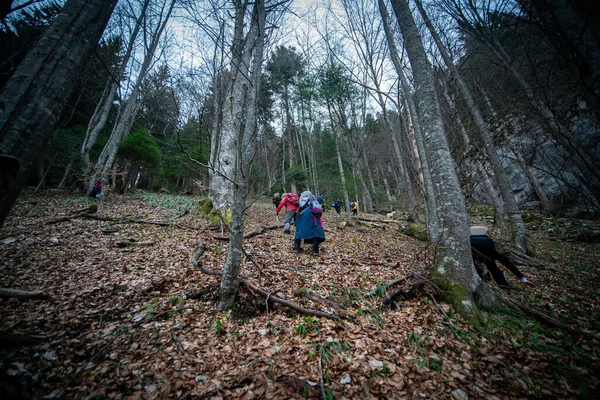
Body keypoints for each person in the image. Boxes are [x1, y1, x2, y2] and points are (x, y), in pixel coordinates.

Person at [470, 226, 535, 288]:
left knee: (475, 263)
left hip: (475, 254)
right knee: (493, 269)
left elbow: (469, 262)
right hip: (488, 252)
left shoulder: (467, 241)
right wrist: (522, 278)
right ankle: (504, 286)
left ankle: (483, 278)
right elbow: (506, 262)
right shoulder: (489, 241)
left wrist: (480, 272)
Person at [294, 191, 325, 256]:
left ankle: (296, 248)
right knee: (315, 233)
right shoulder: (314, 200)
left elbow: (301, 207)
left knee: (299, 229)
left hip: (306, 214)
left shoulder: (304, 198)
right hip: (315, 217)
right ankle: (315, 251)